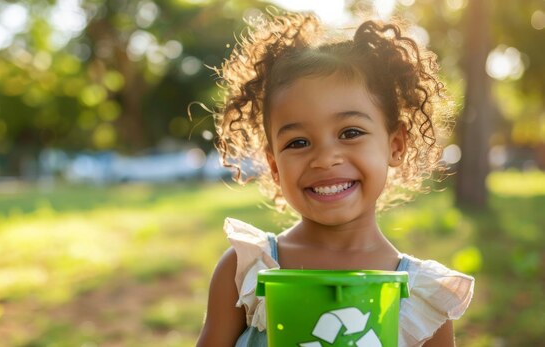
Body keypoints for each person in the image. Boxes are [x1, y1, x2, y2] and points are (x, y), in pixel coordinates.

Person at [196, 10, 474, 347]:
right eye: (298, 142)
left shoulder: (422, 299)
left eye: (350, 132)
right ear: (274, 165)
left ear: (395, 145)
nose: (325, 158)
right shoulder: (247, 274)